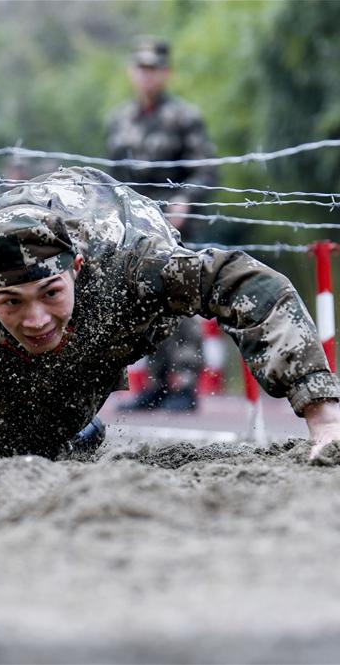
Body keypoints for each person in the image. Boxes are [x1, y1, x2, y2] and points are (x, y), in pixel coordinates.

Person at [0, 167, 340, 465]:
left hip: (105, 319)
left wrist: (323, 419)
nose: (35, 319)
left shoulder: (138, 267)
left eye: (49, 293)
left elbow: (252, 285)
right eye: (13, 302)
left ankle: (75, 423)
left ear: (74, 268)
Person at [106, 37, 220, 411]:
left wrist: (185, 199)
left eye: (153, 69)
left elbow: (206, 168)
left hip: (175, 227)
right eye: (140, 68)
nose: (146, 75)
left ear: (166, 73)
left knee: (180, 301)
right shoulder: (120, 120)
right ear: (131, 72)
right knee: (142, 303)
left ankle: (185, 383)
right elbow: (114, 177)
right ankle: (154, 383)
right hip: (134, 229)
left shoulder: (184, 117)